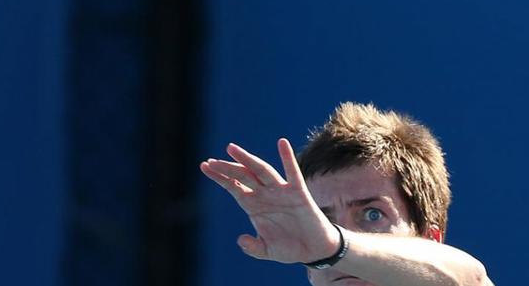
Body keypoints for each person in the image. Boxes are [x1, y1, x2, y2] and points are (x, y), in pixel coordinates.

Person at [200, 102, 495, 286]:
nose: (333, 232)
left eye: (372, 214)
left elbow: (469, 279)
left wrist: (336, 246)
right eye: (321, 221)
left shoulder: (331, 246)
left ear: (431, 238)